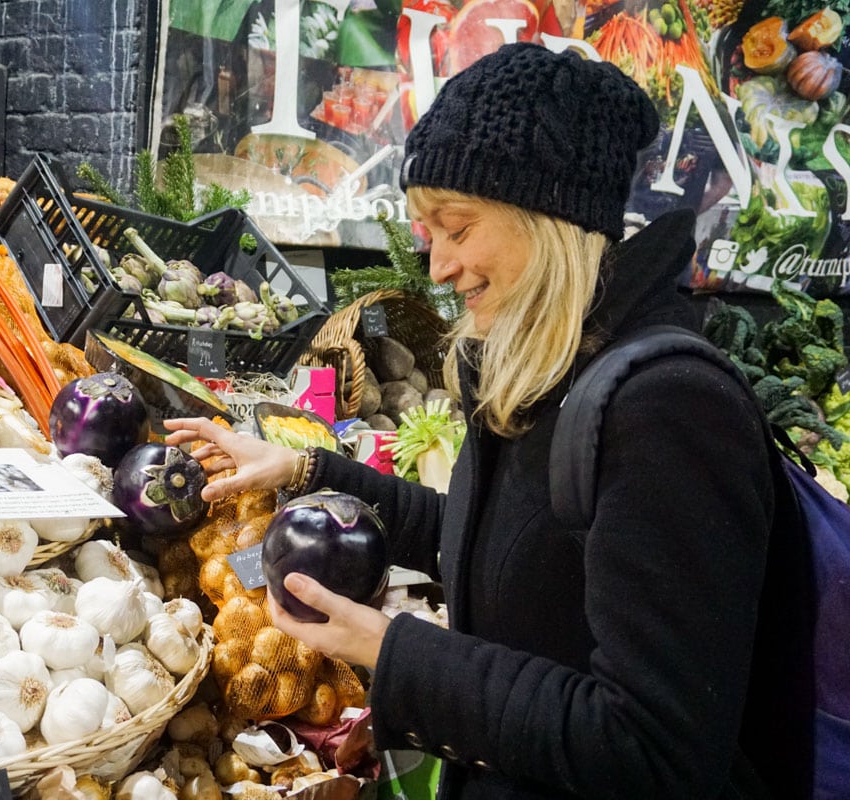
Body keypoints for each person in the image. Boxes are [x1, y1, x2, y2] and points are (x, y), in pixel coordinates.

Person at [165, 43, 807, 799]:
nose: (436, 266)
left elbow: (654, 750)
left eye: (457, 227)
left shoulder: (668, 409)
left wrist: (398, 657)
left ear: (550, 220)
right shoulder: (546, 369)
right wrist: (306, 471)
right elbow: (494, 551)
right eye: (427, 232)